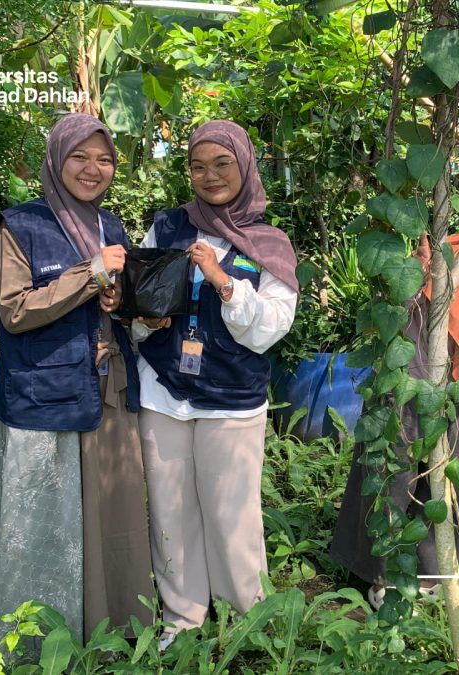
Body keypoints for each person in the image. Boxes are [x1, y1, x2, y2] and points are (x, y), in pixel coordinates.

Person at [0, 113, 153, 647]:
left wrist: (120, 301)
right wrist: (91, 274)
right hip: (45, 393)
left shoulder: (111, 226)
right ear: (56, 160)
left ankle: (112, 630)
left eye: (104, 159)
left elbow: (114, 299)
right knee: (45, 523)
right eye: (79, 156)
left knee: (109, 516)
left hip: (105, 386)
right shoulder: (21, 225)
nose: (92, 169)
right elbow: (14, 310)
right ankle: (36, 644)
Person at [330, 181, 459, 608]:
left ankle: (436, 572)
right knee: (392, 476)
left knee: (452, 479)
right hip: (407, 385)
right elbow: (399, 310)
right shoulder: (446, 254)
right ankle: (379, 573)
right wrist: (419, 274)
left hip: (458, 392)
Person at [133, 120, 298, 643]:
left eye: (222, 164)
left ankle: (245, 619)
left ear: (245, 165)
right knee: (170, 510)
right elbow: (136, 301)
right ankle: (182, 618)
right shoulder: (167, 227)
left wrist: (225, 283)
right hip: (164, 390)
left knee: (233, 515)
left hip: (232, 398)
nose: (210, 176)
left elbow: (272, 327)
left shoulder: (269, 242)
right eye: (198, 166)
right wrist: (145, 317)